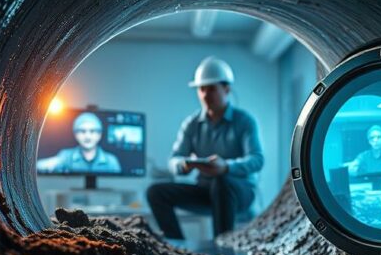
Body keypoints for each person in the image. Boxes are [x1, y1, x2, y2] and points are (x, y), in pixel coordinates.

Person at [146, 56, 264, 239]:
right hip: (206, 191)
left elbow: (257, 159)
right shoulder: (191, 124)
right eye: (202, 89)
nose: (206, 95)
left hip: (239, 192)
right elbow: (174, 159)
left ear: (226, 89)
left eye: (211, 89)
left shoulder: (244, 121)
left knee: (221, 181)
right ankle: (176, 246)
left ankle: (223, 246)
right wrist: (184, 165)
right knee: (155, 192)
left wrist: (226, 167)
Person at [37, 111, 122, 173]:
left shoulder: (111, 161)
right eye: (82, 131)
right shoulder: (66, 156)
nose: (87, 136)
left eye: (92, 131)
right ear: (75, 134)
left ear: (100, 134)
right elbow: (39, 165)